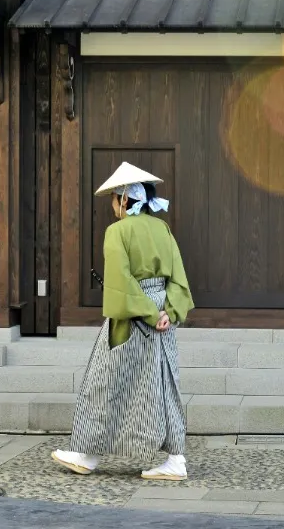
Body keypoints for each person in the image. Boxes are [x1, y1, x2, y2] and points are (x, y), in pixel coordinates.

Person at [51, 162, 195, 481]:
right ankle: (176, 459)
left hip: (133, 316)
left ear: (125, 201)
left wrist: (145, 312)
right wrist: (167, 313)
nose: (113, 207)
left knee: (107, 379)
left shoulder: (117, 231)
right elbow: (179, 278)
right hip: (162, 316)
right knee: (164, 383)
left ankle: (87, 453)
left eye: (115, 201)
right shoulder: (163, 229)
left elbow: (120, 280)